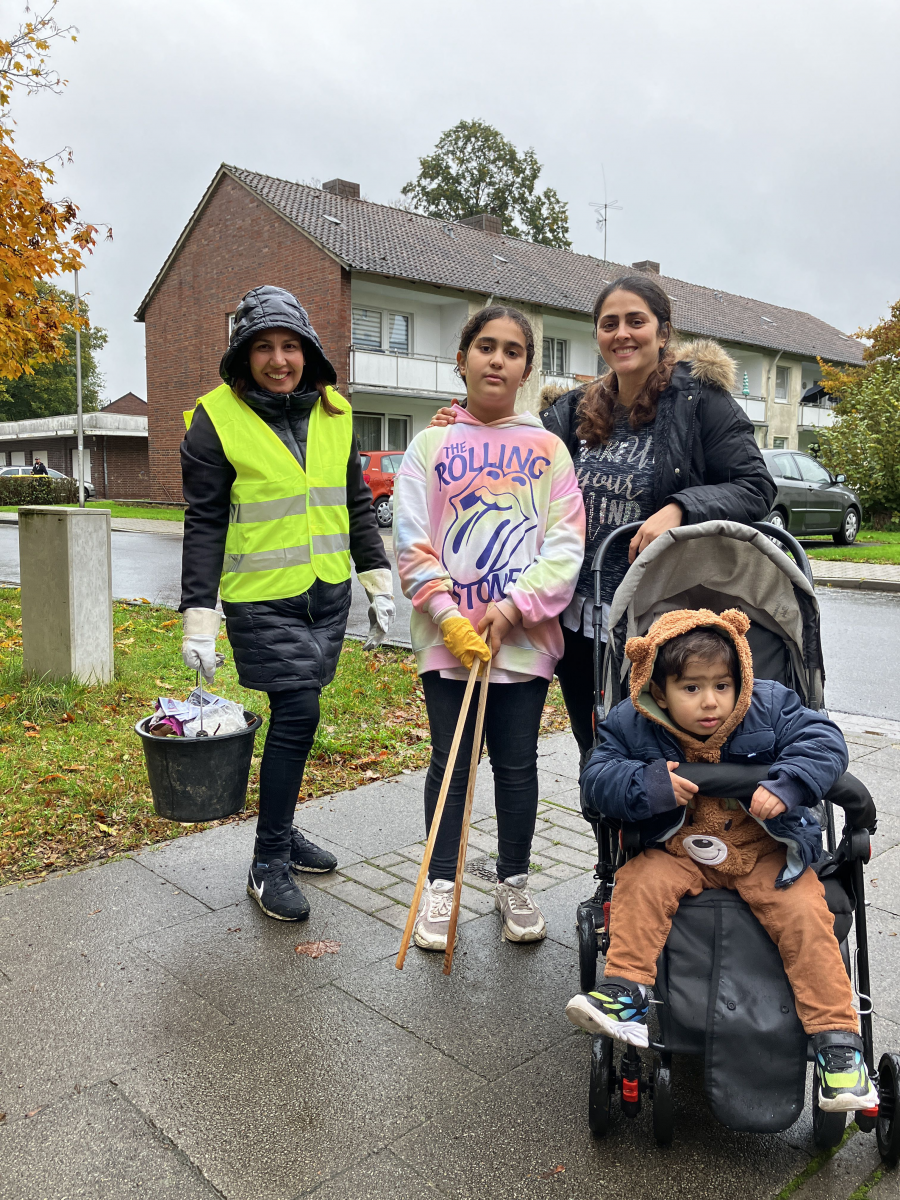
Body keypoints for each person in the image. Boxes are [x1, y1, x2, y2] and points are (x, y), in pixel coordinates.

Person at [430, 276, 775, 763]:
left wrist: (680, 508)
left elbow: (755, 487)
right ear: (597, 335)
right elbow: (510, 446)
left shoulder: (701, 402)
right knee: (598, 755)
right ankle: (605, 840)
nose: (622, 334)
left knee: (663, 756)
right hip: (579, 627)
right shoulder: (573, 409)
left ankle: (659, 843)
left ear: (663, 331)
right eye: (609, 324)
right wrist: (458, 424)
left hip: (658, 624)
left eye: (637, 321)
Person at [565, 608, 878, 1114]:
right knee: (638, 882)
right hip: (679, 846)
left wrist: (791, 781)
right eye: (691, 688)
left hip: (763, 849)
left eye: (722, 685)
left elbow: (824, 741)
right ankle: (626, 993)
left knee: (806, 917)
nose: (710, 702)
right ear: (659, 691)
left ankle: (838, 1045)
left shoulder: (770, 705)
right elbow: (597, 778)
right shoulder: (629, 721)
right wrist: (648, 786)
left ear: (741, 680)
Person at [179, 285, 395, 922]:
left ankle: (282, 828)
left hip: (325, 597)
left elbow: (356, 507)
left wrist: (377, 583)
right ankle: (268, 860)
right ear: (243, 354)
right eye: (264, 347)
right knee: (297, 714)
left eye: (291, 346)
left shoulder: (337, 411)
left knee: (297, 722)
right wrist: (200, 616)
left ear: (309, 352)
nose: (279, 360)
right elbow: (205, 522)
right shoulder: (214, 417)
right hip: (261, 599)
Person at [393, 306, 585, 951]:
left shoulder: (550, 450)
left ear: (528, 367)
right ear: (463, 358)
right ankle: (440, 886)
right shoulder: (430, 445)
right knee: (450, 763)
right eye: (485, 347)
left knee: (516, 766)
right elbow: (412, 543)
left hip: (525, 641)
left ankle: (513, 880)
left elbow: (564, 546)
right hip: (448, 640)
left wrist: (513, 609)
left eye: (511, 351)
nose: (497, 360)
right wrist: (448, 616)